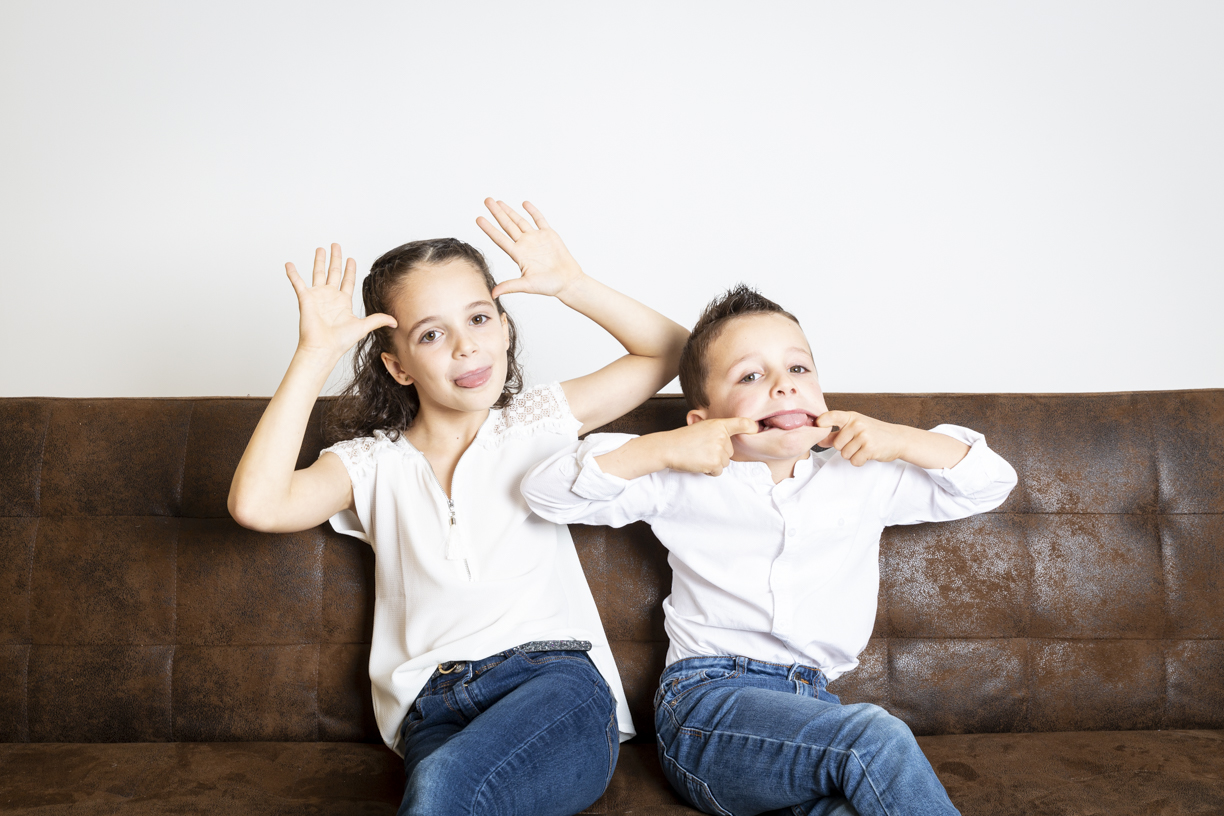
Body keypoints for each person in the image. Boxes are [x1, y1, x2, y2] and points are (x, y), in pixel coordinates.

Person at [227, 199, 689, 816]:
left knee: (448, 789)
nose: (467, 348)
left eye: (479, 318)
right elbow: (258, 504)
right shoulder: (370, 463)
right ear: (398, 366)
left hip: (554, 682)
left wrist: (572, 285)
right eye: (432, 334)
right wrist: (314, 354)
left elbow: (675, 353)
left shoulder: (536, 421)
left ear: (504, 327)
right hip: (431, 706)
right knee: (445, 781)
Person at [520, 284, 1018, 816]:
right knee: (875, 738)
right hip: (707, 707)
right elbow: (545, 492)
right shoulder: (680, 476)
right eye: (751, 376)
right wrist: (664, 449)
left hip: (809, 711)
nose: (784, 387)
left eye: (799, 370)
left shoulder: (863, 476)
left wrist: (899, 439)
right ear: (702, 420)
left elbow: (991, 482)